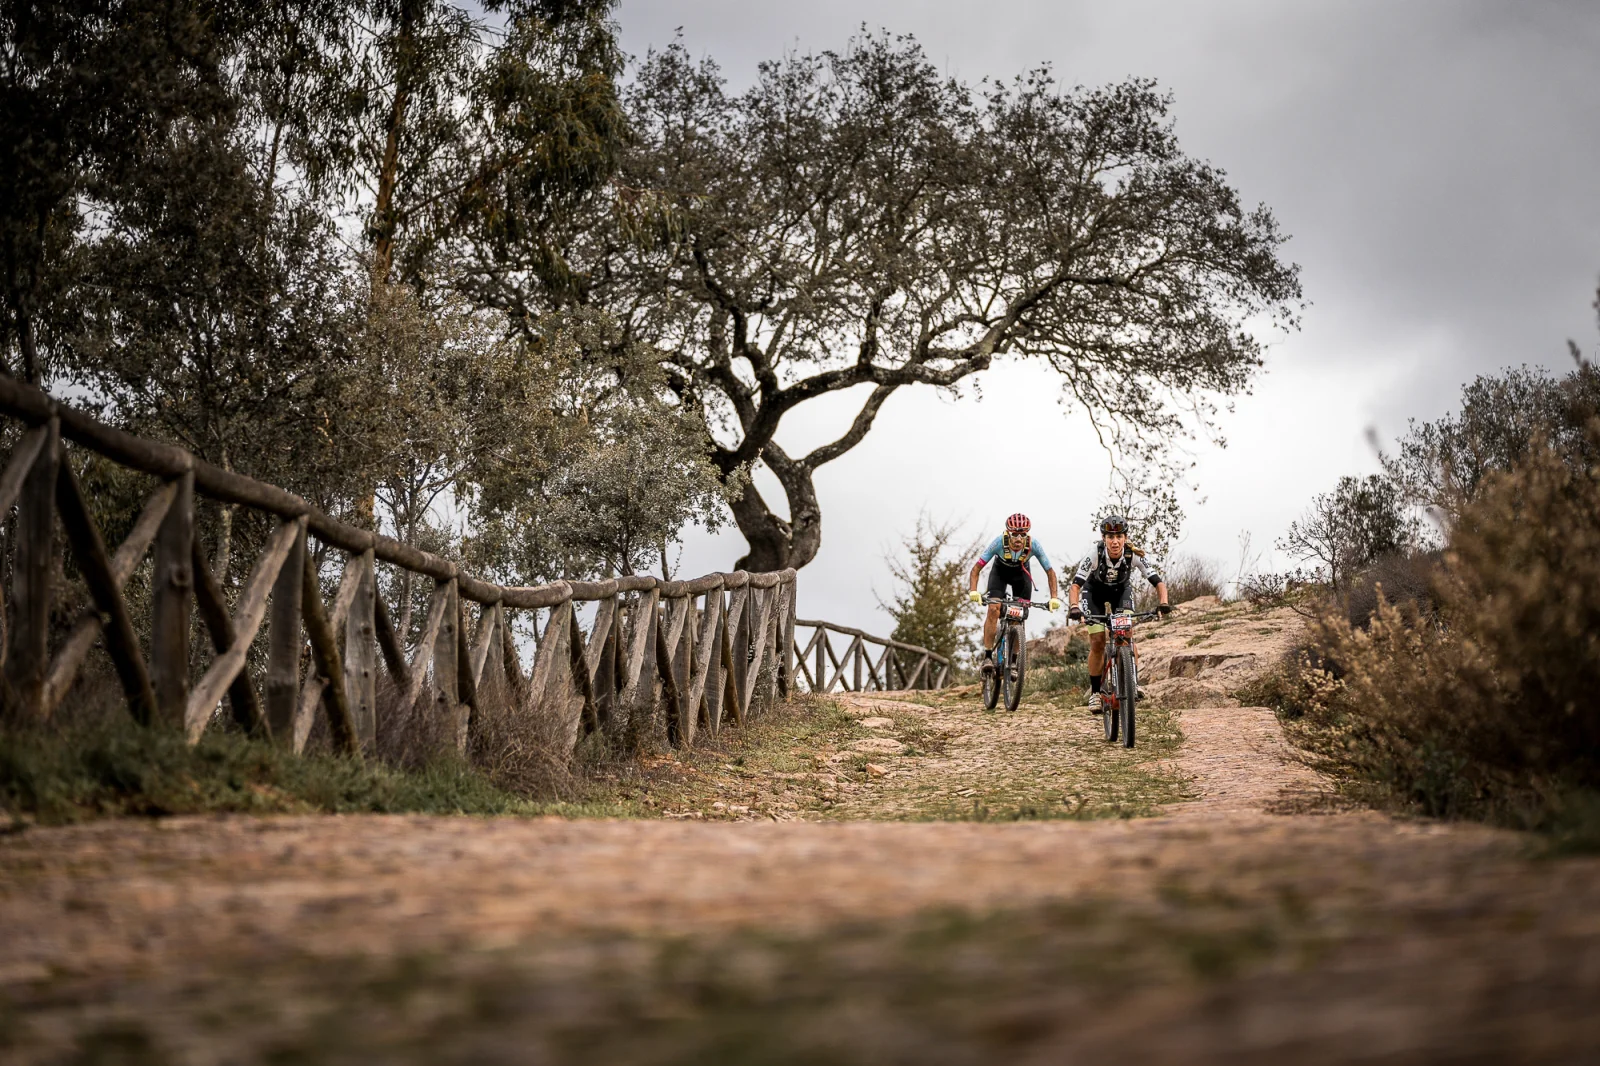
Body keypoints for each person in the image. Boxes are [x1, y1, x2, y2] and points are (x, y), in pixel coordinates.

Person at [1066, 515, 1171, 712]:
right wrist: (1074, 607)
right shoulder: (1094, 554)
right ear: (1104, 538)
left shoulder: (1133, 554)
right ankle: (1096, 694)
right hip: (1094, 594)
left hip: (1120, 593)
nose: (1115, 541)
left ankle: (1132, 681)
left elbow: (1158, 581)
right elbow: (1075, 585)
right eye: (1110, 537)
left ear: (1125, 538)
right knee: (1097, 641)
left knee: (1127, 633)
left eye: (1119, 537)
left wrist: (1163, 603)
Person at [967, 513, 1060, 674]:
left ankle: (1014, 661)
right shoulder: (998, 543)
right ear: (1007, 533)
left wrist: (1054, 597)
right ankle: (988, 656)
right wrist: (973, 590)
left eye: (1022, 535)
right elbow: (976, 569)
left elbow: (1050, 572)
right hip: (999, 575)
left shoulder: (1034, 545)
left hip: (1021, 576)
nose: (1018, 538)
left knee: (1019, 615)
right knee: (993, 609)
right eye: (1014, 534)